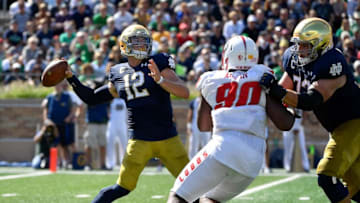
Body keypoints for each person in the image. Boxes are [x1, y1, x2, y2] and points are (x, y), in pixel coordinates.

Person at [64, 24, 190, 202]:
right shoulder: (118, 72)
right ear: (124, 45)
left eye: (143, 42)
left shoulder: (158, 62)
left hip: (168, 138)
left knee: (193, 186)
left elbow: (184, 93)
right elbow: (92, 98)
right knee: (121, 188)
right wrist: (71, 78)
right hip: (139, 141)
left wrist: (160, 80)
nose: (140, 47)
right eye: (136, 43)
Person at [167, 35, 295, 203]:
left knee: (178, 196)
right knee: (209, 199)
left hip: (224, 146)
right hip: (254, 158)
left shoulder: (211, 79)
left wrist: (214, 100)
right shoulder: (263, 76)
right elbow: (285, 124)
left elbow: (203, 125)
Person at [260, 17, 360, 203]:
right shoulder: (294, 59)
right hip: (339, 128)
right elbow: (284, 89)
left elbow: (310, 100)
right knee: (356, 188)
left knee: (327, 176)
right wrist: (268, 90)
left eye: (306, 45)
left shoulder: (332, 63)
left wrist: (278, 91)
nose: (300, 50)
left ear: (320, 44)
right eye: (298, 45)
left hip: (354, 122)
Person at [106, 97, 128, 170]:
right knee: (110, 143)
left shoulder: (125, 99)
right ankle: (110, 163)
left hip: (122, 124)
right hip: (112, 124)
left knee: (124, 144)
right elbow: (108, 110)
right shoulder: (111, 100)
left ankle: (125, 162)